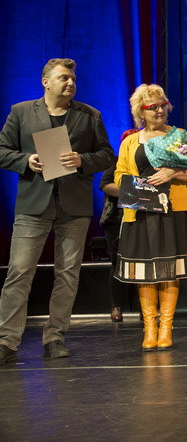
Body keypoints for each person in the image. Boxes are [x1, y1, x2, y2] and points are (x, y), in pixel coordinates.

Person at [0, 58, 114, 364]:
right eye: (64, 78)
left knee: (67, 274)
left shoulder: (89, 115)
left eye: (73, 79)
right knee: (19, 272)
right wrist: (26, 161)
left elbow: (106, 155)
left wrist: (82, 161)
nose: (71, 83)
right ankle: (7, 341)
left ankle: (55, 337)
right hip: (33, 204)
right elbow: (2, 151)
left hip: (73, 206)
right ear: (46, 82)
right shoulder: (22, 112)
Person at [115, 85, 187, 351]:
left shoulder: (178, 136)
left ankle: (166, 327)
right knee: (145, 271)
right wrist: (139, 186)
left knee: (170, 269)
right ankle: (150, 327)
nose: (159, 110)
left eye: (163, 104)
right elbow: (120, 174)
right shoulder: (131, 142)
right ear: (140, 112)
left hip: (173, 210)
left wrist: (172, 172)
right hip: (142, 210)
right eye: (152, 107)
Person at [100, 129, 139, 323]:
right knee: (117, 262)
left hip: (141, 216)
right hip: (116, 218)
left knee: (143, 261)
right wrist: (132, 192)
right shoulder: (115, 162)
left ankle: (144, 308)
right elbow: (106, 185)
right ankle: (116, 305)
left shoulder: (146, 162)